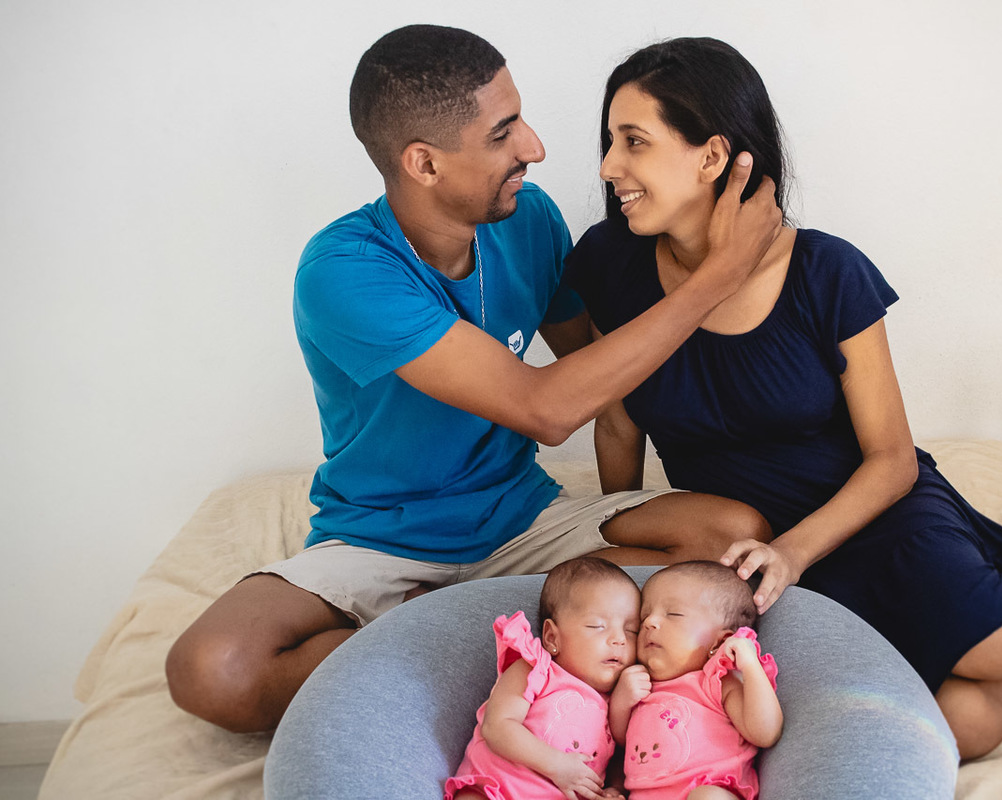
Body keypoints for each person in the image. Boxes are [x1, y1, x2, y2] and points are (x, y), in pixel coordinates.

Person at [565, 37, 1002, 760]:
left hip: (865, 511)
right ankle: (978, 617)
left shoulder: (826, 271)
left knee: (990, 652)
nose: (609, 167)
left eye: (633, 142)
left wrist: (793, 554)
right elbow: (614, 413)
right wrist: (622, 544)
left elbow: (892, 459)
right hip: (744, 541)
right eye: (610, 141)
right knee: (969, 727)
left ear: (711, 158)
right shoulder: (608, 263)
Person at [165, 25, 784, 734]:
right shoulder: (344, 270)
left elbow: (600, 371)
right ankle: (515, 644)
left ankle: (499, 651)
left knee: (728, 543)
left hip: (521, 519)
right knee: (213, 668)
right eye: (503, 134)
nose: (536, 148)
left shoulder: (531, 221)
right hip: (382, 539)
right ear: (424, 164)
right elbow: (546, 409)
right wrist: (715, 279)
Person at [446, 558, 638, 800]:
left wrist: (614, 790)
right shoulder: (536, 669)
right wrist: (557, 765)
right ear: (552, 637)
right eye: (598, 626)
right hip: (496, 789)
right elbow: (498, 727)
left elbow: (621, 759)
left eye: (632, 630)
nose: (619, 639)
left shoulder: (617, 702)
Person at [609, 561, 781, 800]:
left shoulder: (717, 681)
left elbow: (765, 733)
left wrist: (750, 664)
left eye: (673, 614)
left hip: (708, 790)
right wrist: (621, 701)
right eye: (644, 616)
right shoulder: (641, 683)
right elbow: (622, 739)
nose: (650, 622)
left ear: (720, 642)